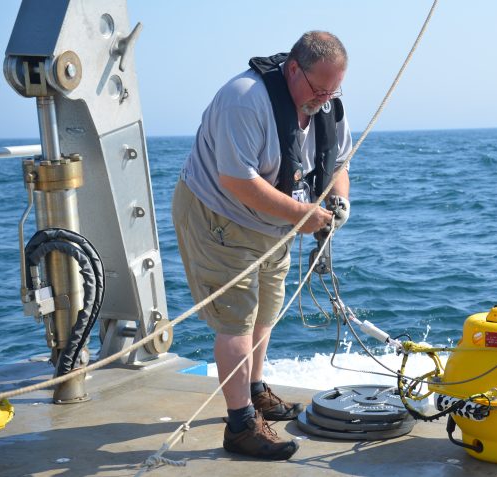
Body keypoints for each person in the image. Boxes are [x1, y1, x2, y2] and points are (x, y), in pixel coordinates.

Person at [171, 31, 352, 460]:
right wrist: (303, 216)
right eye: (317, 89)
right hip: (220, 216)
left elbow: (340, 161)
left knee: (266, 308)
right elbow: (237, 181)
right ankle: (240, 425)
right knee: (236, 317)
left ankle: (254, 390)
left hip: (277, 223)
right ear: (293, 69)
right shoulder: (244, 100)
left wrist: (338, 201)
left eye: (333, 90)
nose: (324, 100)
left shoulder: (325, 102)